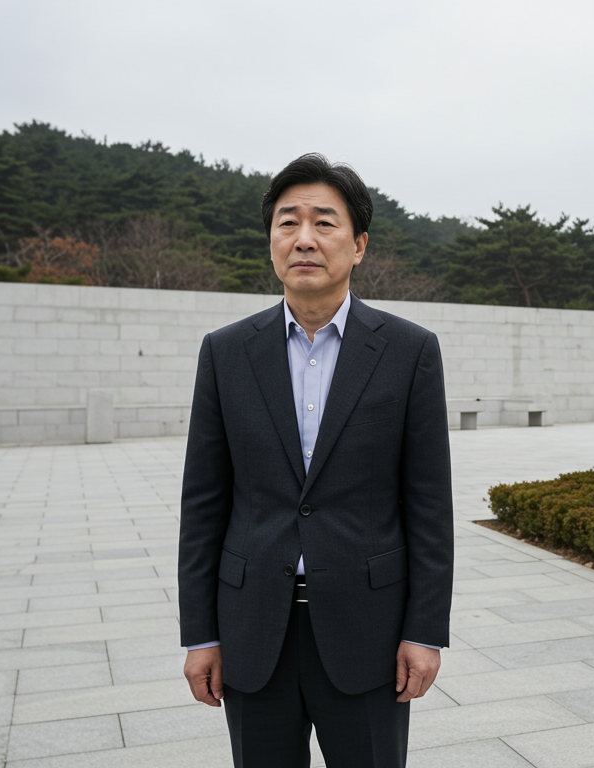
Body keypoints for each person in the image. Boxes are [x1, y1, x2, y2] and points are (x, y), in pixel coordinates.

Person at [178, 153, 454, 768]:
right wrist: (201, 634)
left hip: (370, 632)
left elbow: (429, 504)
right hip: (253, 631)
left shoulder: (410, 352)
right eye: (287, 222)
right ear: (271, 241)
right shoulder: (225, 353)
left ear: (358, 245)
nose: (304, 238)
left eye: (324, 223)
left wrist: (425, 630)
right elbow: (203, 503)